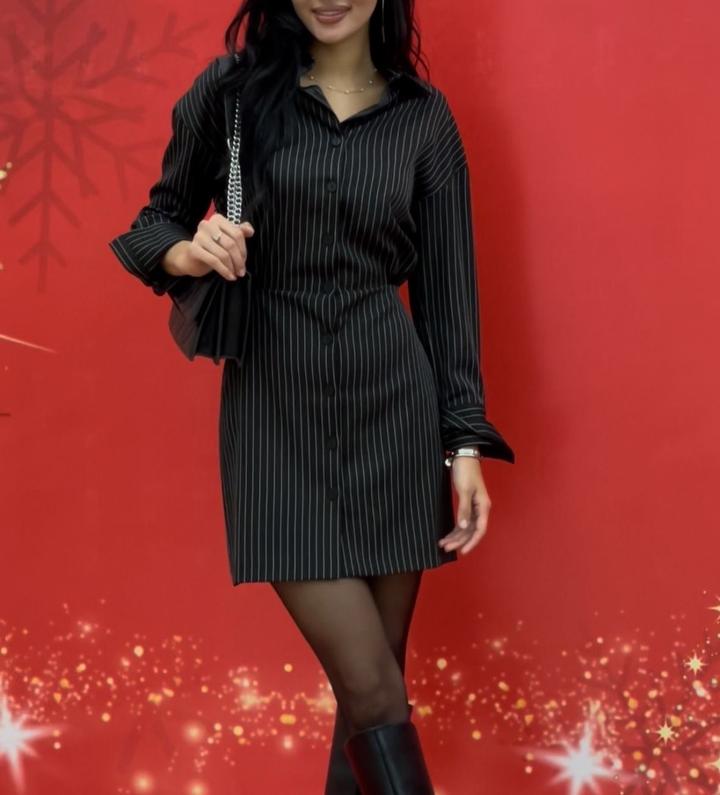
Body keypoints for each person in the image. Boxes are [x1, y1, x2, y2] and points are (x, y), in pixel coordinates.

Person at [108, 0, 515, 792]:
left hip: (393, 410)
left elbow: (449, 298)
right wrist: (193, 249)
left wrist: (462, 442)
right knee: (373, 690)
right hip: (275, 410)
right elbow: (156, 222)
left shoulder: (424, 119)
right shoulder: (231, 94)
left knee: (371, 697)